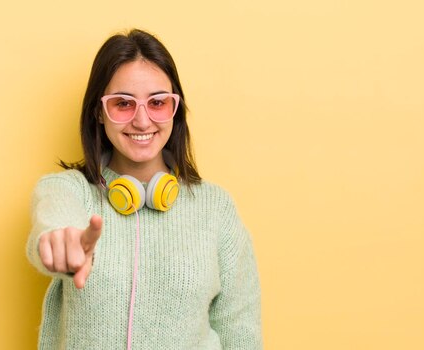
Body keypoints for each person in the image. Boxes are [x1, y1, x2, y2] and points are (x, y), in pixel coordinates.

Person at [26, 28, 262, 349]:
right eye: (123, 104)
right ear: (99, 111)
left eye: (158, 102)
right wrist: (58, 245)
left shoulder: (216, 208)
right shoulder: (68, 191)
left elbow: (241, 332)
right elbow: (53, 226)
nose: (142, 121)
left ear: (174, 109)